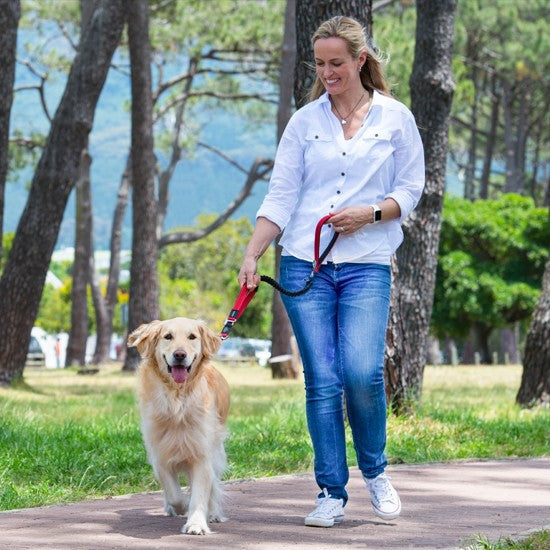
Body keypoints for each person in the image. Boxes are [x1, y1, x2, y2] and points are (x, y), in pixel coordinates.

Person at [238, 15, 425, 527]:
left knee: (362, 374)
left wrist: (372, 213)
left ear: (361, 60)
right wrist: (253, 252)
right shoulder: (303, 123)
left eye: (336, 63)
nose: (327, 73)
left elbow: (411, 189)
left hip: (366, 265)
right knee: (322, 379)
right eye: (319, 64)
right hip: (306, 263)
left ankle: (376, 471)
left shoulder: (396, 118)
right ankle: (330, 492)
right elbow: (281, 195)